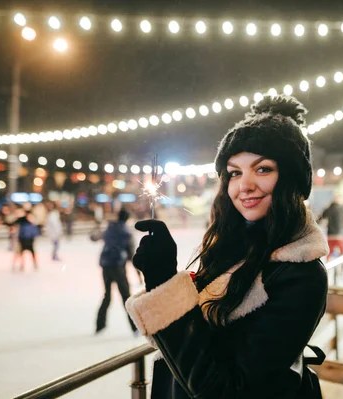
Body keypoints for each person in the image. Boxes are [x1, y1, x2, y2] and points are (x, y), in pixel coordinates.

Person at [125, 95, 330, 398]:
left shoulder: (301, 274)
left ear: (291, 179)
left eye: (263, 169)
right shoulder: (227, 252)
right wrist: (165, 283)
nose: (244, 185)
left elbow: (225, 390)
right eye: (234, 172)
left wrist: (166, 284)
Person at [95, 209, 137, 335]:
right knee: (126, 297)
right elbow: (131, 253)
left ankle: (99, 325)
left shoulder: (109, 228)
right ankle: (135, 327)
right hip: (118, 267)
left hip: (106, 265)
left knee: (107, 296)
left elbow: (94, 237)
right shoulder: (126, 232)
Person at [318, 195, 343, 260]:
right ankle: (342, 269)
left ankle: (328, 268)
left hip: (331, 235)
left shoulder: (329, 208)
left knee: (329, 256)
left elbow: (321, 217)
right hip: (341, 235)